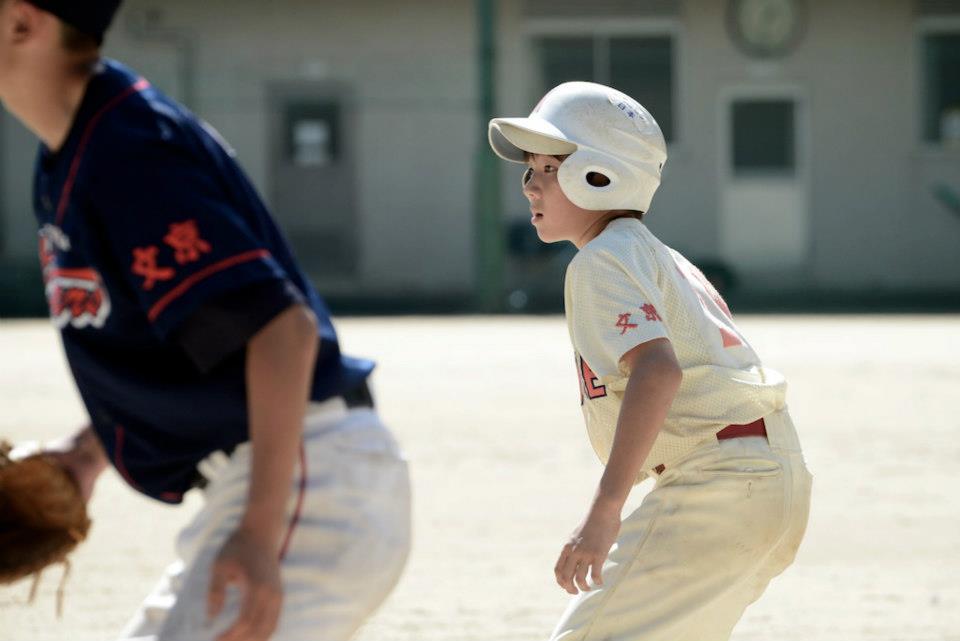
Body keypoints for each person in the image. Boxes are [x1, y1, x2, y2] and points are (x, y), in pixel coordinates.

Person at [0, 2, 410, 640]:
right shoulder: (79, 147)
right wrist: (85, 455)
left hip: (307, 480)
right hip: (272, 478)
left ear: (22, 23)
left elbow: (284, 332)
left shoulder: (127, 150)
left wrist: (259, 533)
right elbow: (186, 343)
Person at [488, 81, 813, 641]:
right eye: (529, 171)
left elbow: (658, 371)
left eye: (548, 169)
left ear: (598, 174)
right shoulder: (661, 255)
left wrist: (605, 510)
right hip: (773, 475)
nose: (530, 187)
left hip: (720, 482)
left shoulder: (602, 261)